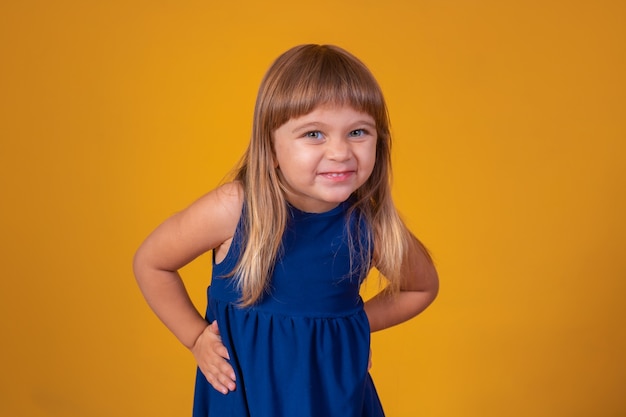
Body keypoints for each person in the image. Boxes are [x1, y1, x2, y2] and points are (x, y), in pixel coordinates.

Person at [133, 44, 439, 417]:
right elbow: (151, 262)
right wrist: (195, 337)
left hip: (333, 398)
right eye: (314, 134)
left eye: (358, 131)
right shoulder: (233, 209)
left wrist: (351, 328)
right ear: (271, 147)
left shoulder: (369, 224)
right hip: (245, 396)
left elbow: (422, 286)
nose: (341, 152)